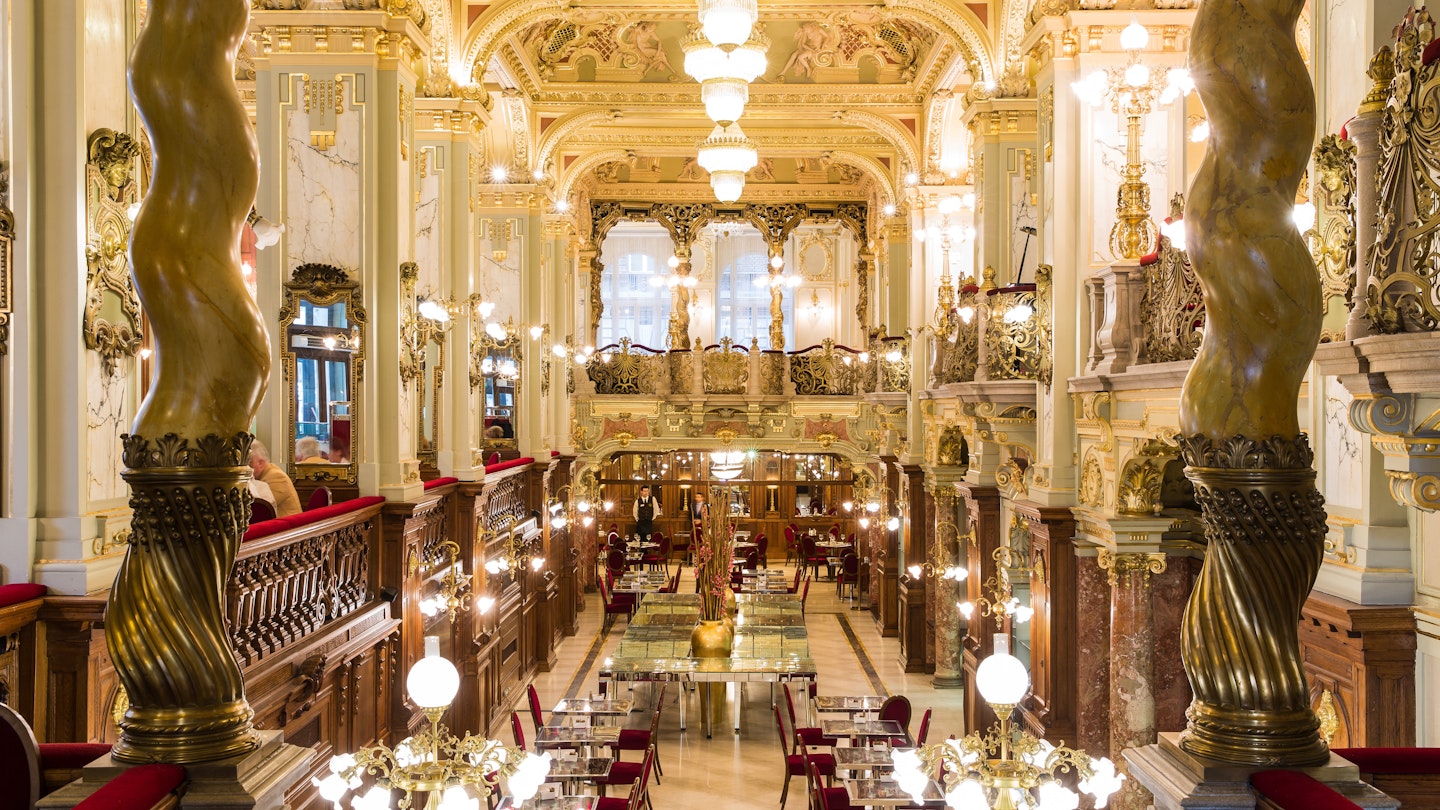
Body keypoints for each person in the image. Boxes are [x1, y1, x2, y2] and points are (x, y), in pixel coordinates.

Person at [249, 438, 302, 517]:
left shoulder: (277, 477)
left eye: (249, 463)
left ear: (260, 462)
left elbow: (261, 508)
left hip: (288, 526)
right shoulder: (267, 474)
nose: (246, 468)